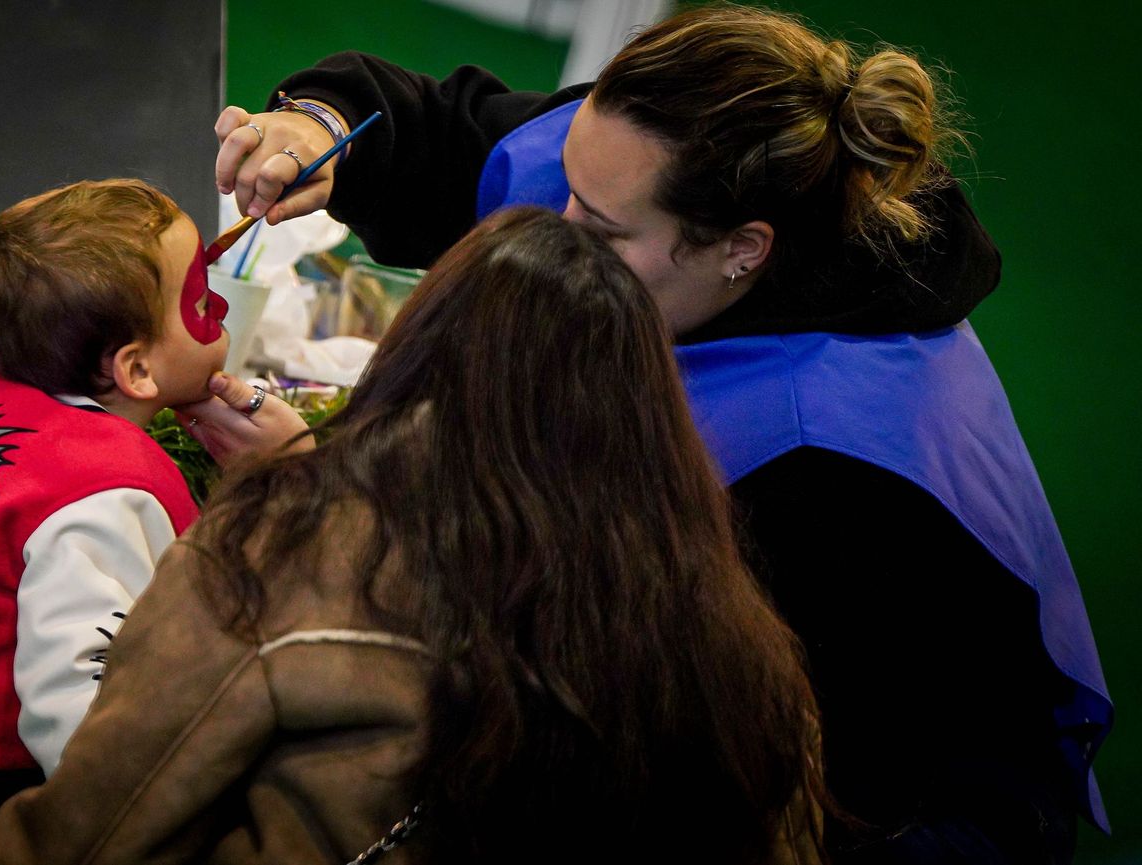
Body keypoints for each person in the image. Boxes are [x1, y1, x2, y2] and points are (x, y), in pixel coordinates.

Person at [206, 6, 1111, 863]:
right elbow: (438, 130)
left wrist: (318, 489)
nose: (556, 230)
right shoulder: (626, 162)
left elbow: (661, 732)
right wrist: (321, 126)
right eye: (570, 183)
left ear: (743, 249)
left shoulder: (833, 469)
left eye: (601, 229)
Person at [0, 206, 828, 865]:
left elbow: (91, 835)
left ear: (417, 349)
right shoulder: (741, 645)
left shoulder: (274, 551)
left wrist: (296, 489)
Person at [0, 178, 308, 852]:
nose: (219, 308)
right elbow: (79, 708)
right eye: (201, 302)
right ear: (138, 370)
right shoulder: (106, 484)